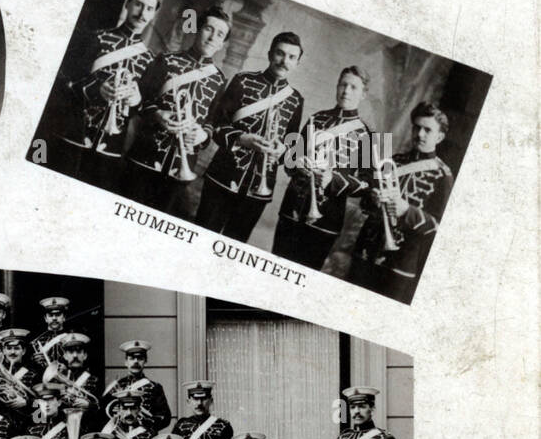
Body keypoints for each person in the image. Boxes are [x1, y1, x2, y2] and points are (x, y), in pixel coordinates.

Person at [194, 32, 306, 241]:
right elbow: (217, 124)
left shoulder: (296, 100)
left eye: (291, 57)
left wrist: (282, 151)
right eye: (280, 54)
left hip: (259, 191)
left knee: (234, 246)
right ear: (270, 54)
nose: (284, 61)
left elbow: (291, 149)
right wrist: (241, 138)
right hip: (223, 178)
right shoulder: (242, 80)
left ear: (297, 63)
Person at [50, 0, 160, 192]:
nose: (142, 13)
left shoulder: (149, 59)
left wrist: (135, 100)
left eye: (149, 9)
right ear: (128, 4)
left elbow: (141, 108)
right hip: (74, 134)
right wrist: (96, 90)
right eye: (138, 4)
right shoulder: (96, 38)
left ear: (153, 15)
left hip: (111, 148)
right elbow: (65, 80)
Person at [122, 6, 230, 214]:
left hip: (182, 165)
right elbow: (139, 101)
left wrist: (201, 136)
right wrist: (158, 114)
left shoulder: (219, 79)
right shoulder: (166, 61)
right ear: (197, 30)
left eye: (220, 34)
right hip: (145, 157)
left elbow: (211, 123)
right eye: (208, 29)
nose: (212, 38)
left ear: (222, 44)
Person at [347, 102, 456, 303]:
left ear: (439, 137)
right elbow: (365, 206)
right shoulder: (394, 161)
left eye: (427, 130)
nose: (420, 134)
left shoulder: (443, 175)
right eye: (417, 127)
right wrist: (372, 199)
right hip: (365, 253)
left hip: (399, 265)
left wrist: (407, 210)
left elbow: (440, 227)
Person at [270, 67, 376, 270]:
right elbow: (290, 159)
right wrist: (296, 163)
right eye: (343, 84)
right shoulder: (316, 118)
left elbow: (367, 185)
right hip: (292, 209)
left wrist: (332, 179)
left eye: (353, 87)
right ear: (337, 87)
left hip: (327, 219)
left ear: (363, 94)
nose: (346, 91)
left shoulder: (369, 135)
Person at [105, 340, 171, 437]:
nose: (136, 361)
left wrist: (145, 426)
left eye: (140, 358)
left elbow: (165, 418)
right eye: (132, 358)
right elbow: (105, 413)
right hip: (120, 436)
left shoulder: (154, 387)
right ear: (126, 362)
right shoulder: (116, 387)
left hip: (144, 437)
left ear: (145, 362)